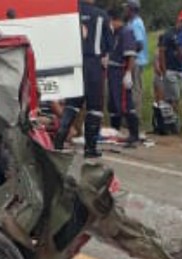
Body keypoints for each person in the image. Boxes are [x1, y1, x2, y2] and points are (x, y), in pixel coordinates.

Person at [54, 0, 112, 158]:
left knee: (72, 103)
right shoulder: (101, 15)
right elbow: (109, 44)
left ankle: (59, 140)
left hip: (75, 62)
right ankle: (90, 147)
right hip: (93, 63)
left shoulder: (70, 13)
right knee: (94, 106)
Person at [106, 8, 140, 148]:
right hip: (112, 70)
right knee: (114, 104)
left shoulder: (126, 32)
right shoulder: (115, 33)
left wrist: (128, 73)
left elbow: (130, 55)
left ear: (115, 20)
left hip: (121, 70)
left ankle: (134, 135)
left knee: (125, 104)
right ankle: (116, 131)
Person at [159, 9, 182, 117]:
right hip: (171, 69)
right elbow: (161, 52)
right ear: (178, 20)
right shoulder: (169, 33)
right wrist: (164, 70)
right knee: (174, 97)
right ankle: (174, 120)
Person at [125, 0, 149, 112]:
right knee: (131, 88)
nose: (125, 10)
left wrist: (131, 56)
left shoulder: (136, 23)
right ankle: (131, 113)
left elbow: (139, 43)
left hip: (136, 61)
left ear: (131, 9)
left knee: (135, 88)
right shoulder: (132, 22)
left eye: (127, 8)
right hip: (133, 61)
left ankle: (135, 115)